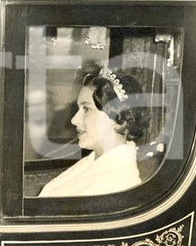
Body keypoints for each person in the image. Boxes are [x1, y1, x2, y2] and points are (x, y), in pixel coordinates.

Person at [38, 67, 150, 197]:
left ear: (121, 120)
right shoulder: (91, 162)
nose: (74, 120)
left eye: (87, 109)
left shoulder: (117, 185)